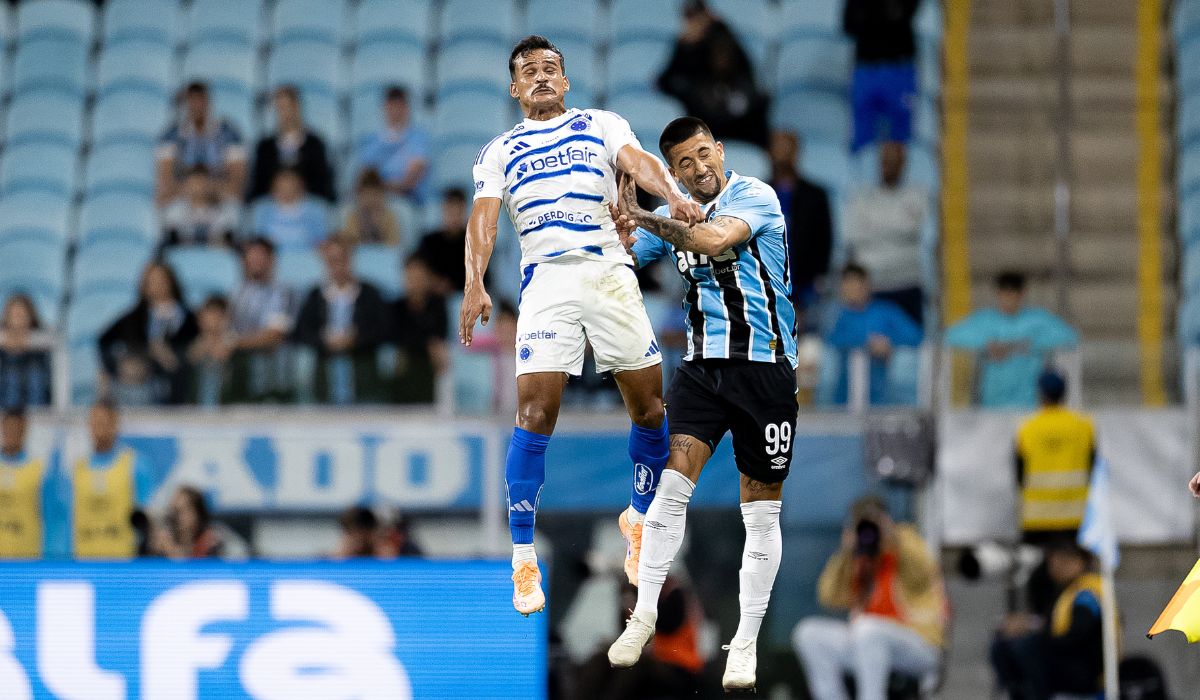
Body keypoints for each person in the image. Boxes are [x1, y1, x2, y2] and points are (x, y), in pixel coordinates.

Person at [462, 35, 704, 617]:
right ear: (514, 88)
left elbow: (637, 162)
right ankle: (522, 557)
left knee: (650, 410)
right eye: (529, 71)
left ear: (565, 82)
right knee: (535, 414)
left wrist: (671, 192)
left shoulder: (600, 122)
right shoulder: (498, 151)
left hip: (609, 272)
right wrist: (474, 281)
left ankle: (638, 519)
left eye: (551, 69)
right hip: (546, 281)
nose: (542, 77)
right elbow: (483, 220)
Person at [605, 116, 798, 692]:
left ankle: (745, 643)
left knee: (760, 513)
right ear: (675, 171)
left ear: (719, 149)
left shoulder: (753, 195)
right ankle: (642, 618)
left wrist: (645, 218)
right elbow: (630, 257)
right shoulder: (674, 211)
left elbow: (714, 241)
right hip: (701, 369)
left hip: (764, 370)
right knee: (671, 485)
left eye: (702, 155)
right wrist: (620, 232)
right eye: (683, 164)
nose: (697, 170)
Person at [792, 496, 946, 700]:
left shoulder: (905, 539)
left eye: (874, 522)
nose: (869, 531)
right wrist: (846, 553)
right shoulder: (860, 557)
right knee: (808, 634)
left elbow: (925, 571)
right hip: (868, 643)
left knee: (867, 628)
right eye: (862, 524)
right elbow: (828, 596)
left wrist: (893, 537)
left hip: (919, 645)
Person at [1014, 371, 1095, 619]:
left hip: (1038, 518)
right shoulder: (1083, 426)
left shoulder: (1028, 428)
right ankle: (1077, 617)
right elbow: (1093, 467)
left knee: (1037, 575)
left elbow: (1019, 472)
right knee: (1076, 574)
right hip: (1074, 515)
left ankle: (1040, 620)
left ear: (1041, 394)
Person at [990, 542, 1107, 700]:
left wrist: (1040, 637)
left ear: (1081, 562)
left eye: (1065, 561)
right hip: (1063, 659)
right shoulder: (1060, 590)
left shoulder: (1087, 594)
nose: (1058, 566)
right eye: (1054, 561)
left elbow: (1076, 635)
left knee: (1028, 648)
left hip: (1085, 669)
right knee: (1002, 646)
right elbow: (1049, 624)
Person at [945, 272, 1080, 408]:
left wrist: (1032, 343)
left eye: (1012, 294)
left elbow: (1070, 337)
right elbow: (950, 336)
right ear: (998, 294)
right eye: (1004, 294)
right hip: (992, 402)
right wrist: (986, 344)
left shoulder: (1037, 319)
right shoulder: (985, 319)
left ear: (1021, 294)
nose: (1008, 300)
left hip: (1028, 401)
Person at [657, 0, 769, 146]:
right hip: (704, 125)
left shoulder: (723, 36)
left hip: (743, 128)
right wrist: (683, 45)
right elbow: (663, 83)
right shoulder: (687, 51)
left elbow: (748, 77)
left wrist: (719, 24)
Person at [294, 239, 390, 404]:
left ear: (350, 260)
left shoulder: (369, 293)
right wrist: (324, 340)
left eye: (342, 259)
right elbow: (302, 331)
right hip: (324, 359)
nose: (337, 266)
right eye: (332, 261)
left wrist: (355, 338)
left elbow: (383, 328)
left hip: (361, 359)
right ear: (325, 262)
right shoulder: (315, 295)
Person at [843, 141, 927, 325]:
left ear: (903, 164)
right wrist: (899, 230)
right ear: (879, 164)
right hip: (871, 287)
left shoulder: (917, 196)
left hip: (908, 284)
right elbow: (854, 235)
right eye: (886, 162)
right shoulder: (861, 198)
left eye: (895, 161)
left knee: (911, 343)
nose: (890, 167)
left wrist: (875, 228)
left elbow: (915, 231)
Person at [98, 262, 198, 405]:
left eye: (161, 280)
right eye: (152, 281)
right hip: (140, 390)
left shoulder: (191, 319)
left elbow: (196, 350)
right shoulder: (132, 318)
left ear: (171, 282)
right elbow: (104, 341)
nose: (157, 286)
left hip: (182, 389)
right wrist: (119, 367)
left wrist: (176, 358)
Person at [827, 263, 922, 405]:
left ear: (866, 285)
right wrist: (867, 343)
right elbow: (831, 341)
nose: (852, 290)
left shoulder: (887, 311)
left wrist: (890, 343)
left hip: (884, 395)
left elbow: (916, 336)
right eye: (847, 285)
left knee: (906, 361)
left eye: (856, 284)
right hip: (844, 398)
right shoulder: (836, 316)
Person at [70, 400, 155, 559]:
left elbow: (147, 517)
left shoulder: (135, 465)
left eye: (103, 422)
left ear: (115, 424)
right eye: (94, 422)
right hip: (83, 559)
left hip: (122, 562)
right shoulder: (77, 469)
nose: (98, 428)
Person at [769, 130, 832, 319]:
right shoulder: (756, 193)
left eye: (787, 149)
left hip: (806, 286)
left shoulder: (815, 195)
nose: (783, 155)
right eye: (778, 148)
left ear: (796, 152)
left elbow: (825, 240)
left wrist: (819, 278)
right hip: (768, 285)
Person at [843, 0, 919, 152]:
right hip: (867, 68)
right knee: (862, 134)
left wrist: (872, 21)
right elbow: (848, 25)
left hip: (899, 68)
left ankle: (898, 173)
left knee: (900, 134)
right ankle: (863, 173)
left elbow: (904, 14)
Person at [155, 81, 246, 204]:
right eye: (192, 102)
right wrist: (193, 190)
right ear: (185, 105)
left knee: (233, 208)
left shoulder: (229, 134)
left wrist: (207, 189)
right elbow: (166, 180)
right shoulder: (170, 136)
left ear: (209, 103)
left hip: (219, 200)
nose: (197, 107)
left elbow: (236, 181)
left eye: (200, 101)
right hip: (184, 200)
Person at [229, 237, 295, 403]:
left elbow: (274, 335)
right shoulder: (238, 292)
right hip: (241, 367)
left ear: (271, 260)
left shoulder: (283, 292)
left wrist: (233, 342)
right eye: (250, 257)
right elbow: (227, 327)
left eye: (259, 257)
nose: (254, 262)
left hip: (273, 370)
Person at [247, 85, 336, 203]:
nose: (283, 114)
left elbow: (323, 186)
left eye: (286, 107)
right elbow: (258, 187)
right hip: (273, 209)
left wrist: (296, 190)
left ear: (297, 107)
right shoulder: (265, 147)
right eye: (279, 108)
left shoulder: (315, 145)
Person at [0, 409, 59, 558]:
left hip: (27, 557)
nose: (11, 434)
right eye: (8, 429)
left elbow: (51, 515)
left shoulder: (38, 470)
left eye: (16, 429)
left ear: (24, 430)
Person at [357, 86, 431, 204]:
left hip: (406, 200)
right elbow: (364, 176)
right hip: (375, 198)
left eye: (399, 106)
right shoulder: (373, 140)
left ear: (406, 108)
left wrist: (382, 187)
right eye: (392, 106)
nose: (395, 111)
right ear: (385, 108)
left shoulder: (418, 138)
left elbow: (412, 179)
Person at [391, 256, 448, 404]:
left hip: (429, 364)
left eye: (419, 277)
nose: (415, 282)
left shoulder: (438, 305)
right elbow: (395, 336)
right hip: (406, 362)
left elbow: (439, 335)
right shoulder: (397, 307)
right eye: (411, 277)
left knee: (436, 353)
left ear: (427, 278)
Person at [159, 164, 240, 250]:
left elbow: (225, 244)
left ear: (210, 185)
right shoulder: (174, 210)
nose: (198, 188)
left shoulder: (225, 210)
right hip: (184, 255)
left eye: (202, 183)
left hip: (214, 256)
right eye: (194, 183)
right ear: (186, 186)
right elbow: (173, 244)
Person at [251, 167, 331, 252]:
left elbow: (324, 243)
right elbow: (255, 244)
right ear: (273, 188)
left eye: (290, 187)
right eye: (281, 187)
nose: (286, 192)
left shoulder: (318, 210)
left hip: (308, 260)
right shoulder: (259, 210)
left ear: (301, 187)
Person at [0, 294, 53, 408]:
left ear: (30, 316)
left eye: (22, 314)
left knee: (35, 374)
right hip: (7, 410)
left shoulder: (42, 342)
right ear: (7, 317)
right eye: (14, 315)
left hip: (38, 408)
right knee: (12, 376)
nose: (18, 319)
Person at [415, 187, 471, 293]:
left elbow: (483, 278)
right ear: (443, 210)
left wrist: (451, 286)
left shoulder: (475, 244)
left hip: (463, 298)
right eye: (450, 211)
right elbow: (419, 267)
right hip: (431, 296)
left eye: (458, 211)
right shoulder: (429, 241)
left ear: (464, 212)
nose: (454, 217)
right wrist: (434, 283)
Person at [151, 485, 226, 559]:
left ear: (196, 513)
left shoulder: (212, 539)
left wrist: (170, 550)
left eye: (179, 511)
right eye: (172, 512)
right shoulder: (169, 537)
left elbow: (197, 568)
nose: (175, 518)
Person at [187, 295, 235, 406]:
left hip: (226, 393)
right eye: (209, 316)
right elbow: (191, 357)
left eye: (218, 316)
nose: (214, 321)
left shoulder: (231, 338)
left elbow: (223, 353)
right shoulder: (197, 340)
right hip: (198, 394)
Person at [337, 168, 402, 247]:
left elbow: (393, 247)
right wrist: (365, 224)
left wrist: (378, 226)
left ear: (381, 196)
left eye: (374, 195)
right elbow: (349, 246)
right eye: (366, 195)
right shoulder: (353, 218)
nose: (371, 199)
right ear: (359, 196)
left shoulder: (389, 218)